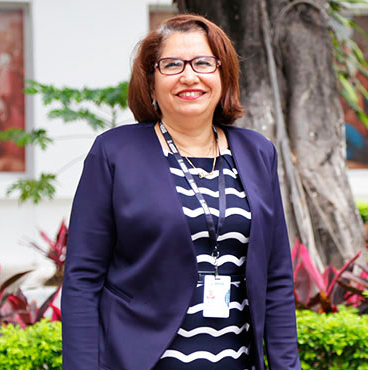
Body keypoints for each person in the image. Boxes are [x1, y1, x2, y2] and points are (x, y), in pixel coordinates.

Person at [62, 14, 301, 370]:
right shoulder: (115, 153)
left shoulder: (256, 152)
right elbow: (82, 278)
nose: (189, 76)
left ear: (223, 74)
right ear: (151, 79)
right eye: (172, 64)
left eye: (203, 62)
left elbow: (277, 278)